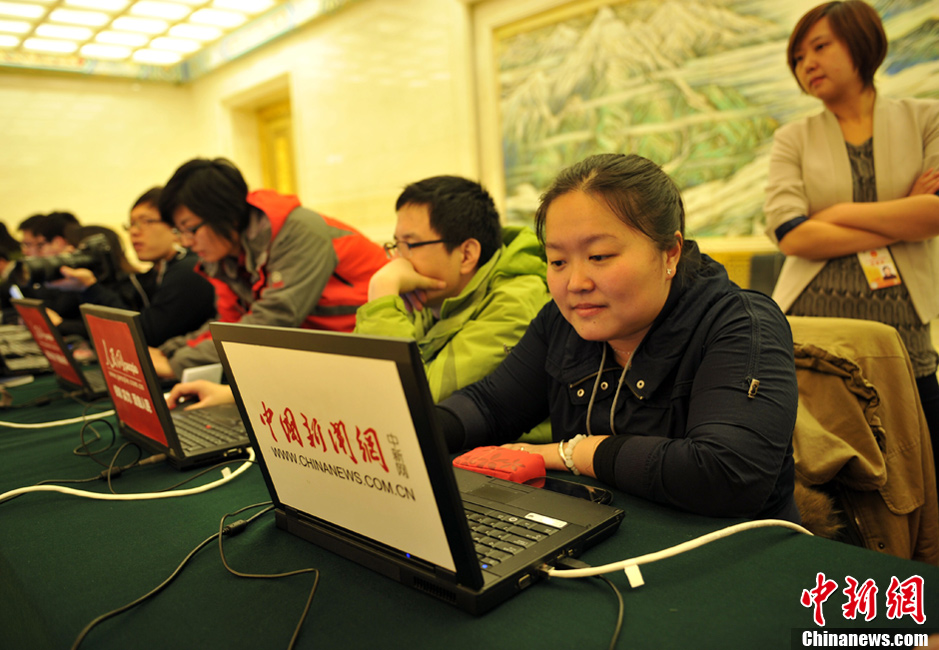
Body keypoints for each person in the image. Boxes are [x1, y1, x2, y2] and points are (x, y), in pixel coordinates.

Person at [435, 153, 800, 521]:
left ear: (670, 253)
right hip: (598, 532)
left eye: (599, 256)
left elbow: (726, 474)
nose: (576, 283)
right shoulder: (562, 323)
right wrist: (415, 431)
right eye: (558, 261)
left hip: (734, 544)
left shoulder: (741, 324)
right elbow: (490, 406)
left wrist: (573, 453)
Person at [763, 1, 939, 471]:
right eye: (798, 57)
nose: (807, 64)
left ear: (861, 43)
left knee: (920, 465)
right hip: (813, 324)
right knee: (821, 468)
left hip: (903, 330)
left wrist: (836, 214)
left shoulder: (927, 118)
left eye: (820, 47)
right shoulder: (793, 138)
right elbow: (790, 234)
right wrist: (903, 210)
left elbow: (934, 216)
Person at [152, 157, 387, 378]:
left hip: (369, 351)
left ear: (226, 215)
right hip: (320, 356)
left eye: (191, 229)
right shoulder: (227, 255)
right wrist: (169, 351)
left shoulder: (298, 232)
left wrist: (176, 365)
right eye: (179, 231)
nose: (186, 242)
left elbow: (274, 322)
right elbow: (230, 323)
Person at [354, 175, 551, 409]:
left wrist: (383, 290)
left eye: (410, 245)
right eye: (397, 245)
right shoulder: (429, 293)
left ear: (466, 255)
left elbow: (410, 404)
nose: (398, 261)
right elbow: (356, 384)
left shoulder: (515, 303)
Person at [53, 188, 217, 347]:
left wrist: (90, 288)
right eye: (131, 224)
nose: (133, 232)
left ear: (175, 226)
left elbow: (145, 335)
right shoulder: (153, 274)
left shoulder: (190, 269)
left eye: (146, 222)